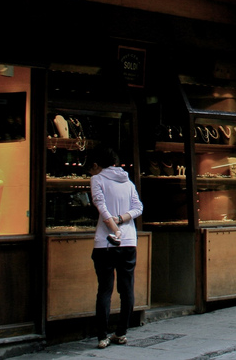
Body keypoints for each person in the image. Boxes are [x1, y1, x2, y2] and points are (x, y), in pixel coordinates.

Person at [88, 147, 144, 349]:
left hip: (105, 242)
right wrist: (122, 220)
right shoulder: (127, 181)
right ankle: (121, 333)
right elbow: (138, 208)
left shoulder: (98, 179)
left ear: (96, 165)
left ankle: (102, 336)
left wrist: (112, 225)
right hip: (129, 241)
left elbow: (100, 205)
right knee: (126, 288)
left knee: (105, 289)